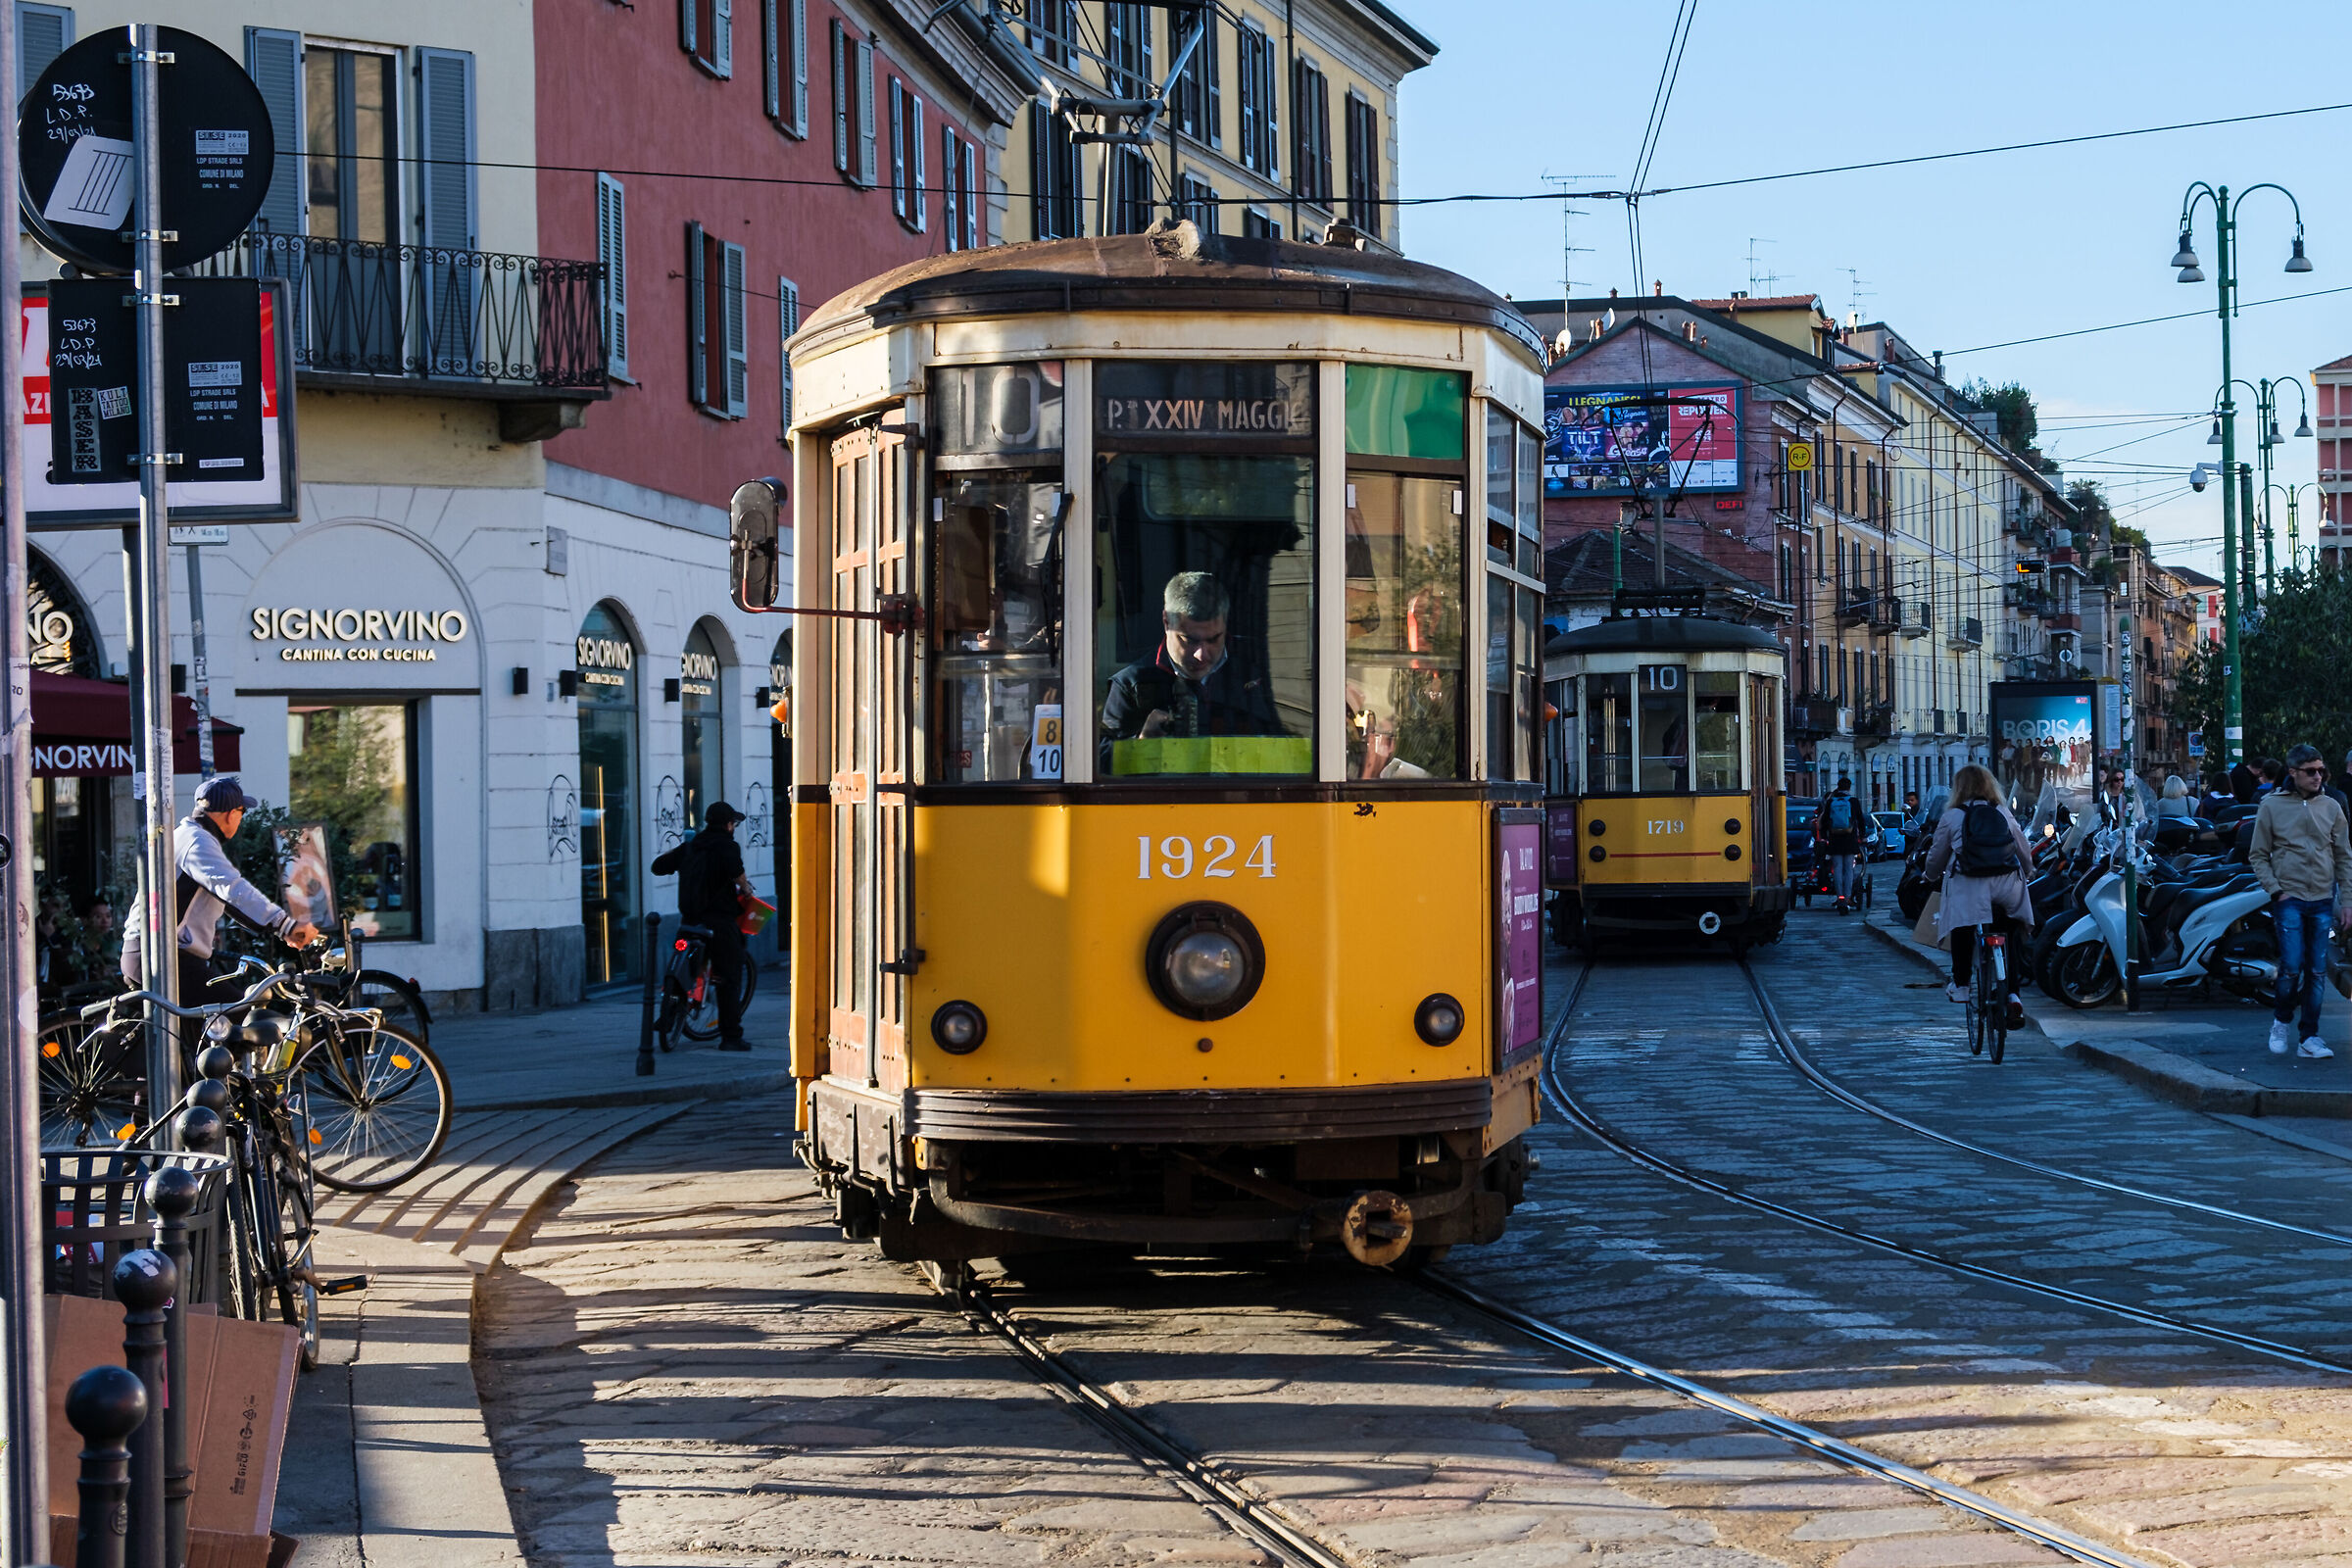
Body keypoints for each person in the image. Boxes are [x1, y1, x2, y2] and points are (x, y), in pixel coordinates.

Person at [121, 776, 318, 1053]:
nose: (241, 819)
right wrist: (284, 924)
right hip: (162, 957)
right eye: (241, 812)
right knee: (238, 1011)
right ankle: (222, 1094)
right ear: (229, 814)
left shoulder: (186, 836)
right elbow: (231, 889)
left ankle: (183, 1090)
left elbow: (226, 901)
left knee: (184, 1048)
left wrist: (277, 927)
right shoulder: (197, 842)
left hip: (151, 953)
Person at [1100, 571, 1282, 769]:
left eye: (1213, 639)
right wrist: (1141, 743)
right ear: (1166, 622)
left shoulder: (1258, 667)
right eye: (1190, 640)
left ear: (1226, 622)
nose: (1201, 655)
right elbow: (1100, 765)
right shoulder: (1131, 684)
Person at [2247, 744, 2352, 1060]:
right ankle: (2281, 1021)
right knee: (2291, 966)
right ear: (2293, 772)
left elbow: (2344, 857)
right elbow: (2258, 854)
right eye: (2311, 771)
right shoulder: (2271, 806)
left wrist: (2347, 902)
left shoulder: (2332, 806)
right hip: (2289, 897)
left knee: (2318, 970)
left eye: (2322, 770)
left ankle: (2310, 1036)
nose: (2318, 776)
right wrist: (2276, 891)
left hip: (2322, 897)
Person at [1925, 763, 2035, 1025]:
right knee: (2009, 936)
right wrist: (2029, 871)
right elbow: (2023, 848)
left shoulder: (1952, 816)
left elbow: (1936, 856)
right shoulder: (2002, 812)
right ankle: (2014, 997)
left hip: (1969, 886)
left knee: (1963, 929)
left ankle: (1962, 986)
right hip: (2008, 887)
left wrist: (1929, 876)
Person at [653, 802, 757, 1051]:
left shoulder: (691, 846)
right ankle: (731, 1037)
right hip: (719, 923)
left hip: (689, 922)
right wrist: (747, 889)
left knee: (683, 966)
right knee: (728, 977)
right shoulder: (728, 846)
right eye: (734, 823)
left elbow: (658, 867)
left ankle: (667, 1013)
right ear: (728, 825)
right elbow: (737, 874)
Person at [1819, 775, 1865, 913]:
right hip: (1850, 839)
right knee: (1849, 869)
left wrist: (1823, 836)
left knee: (1837, 868)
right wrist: (1861, 835)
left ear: (1838, 787)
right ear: (1849, 787)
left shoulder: (1831, 801)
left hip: (1835, 840)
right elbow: (1861, 820)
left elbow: (1825, 820)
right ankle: (1848, 897)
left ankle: (1840, 897)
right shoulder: (1853, 801)